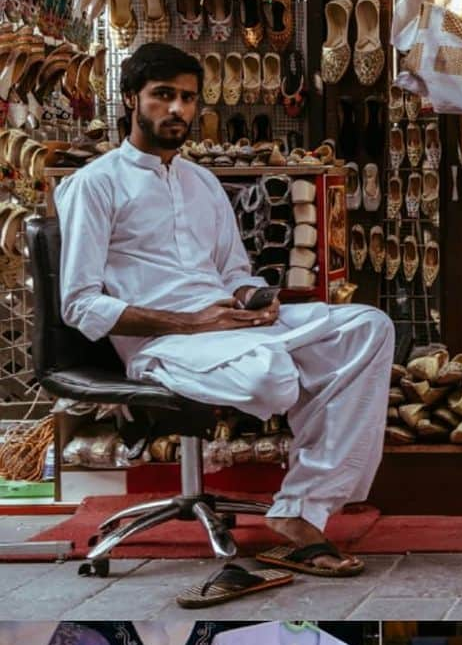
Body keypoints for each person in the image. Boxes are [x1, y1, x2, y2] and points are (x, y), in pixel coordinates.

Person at [55, 43, 395, 582]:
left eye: (188, 98)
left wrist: (253, 300)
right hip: (166, 345)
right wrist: (192, 323)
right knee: (274, 377)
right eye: (163, 95)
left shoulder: (202, 182)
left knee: (368, 328)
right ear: (129, 100)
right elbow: (80, 304)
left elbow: (235, 272)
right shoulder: (93, 186)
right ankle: (299, 493)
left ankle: (301, 511)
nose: (178, 110)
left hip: (230, 330)